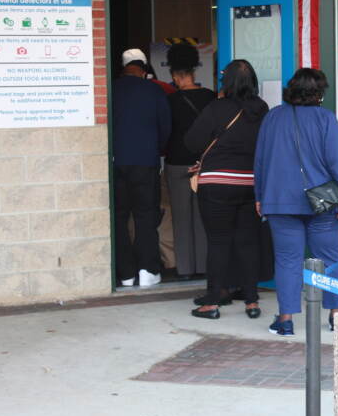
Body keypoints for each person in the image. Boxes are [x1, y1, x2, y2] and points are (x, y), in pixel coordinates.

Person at [254, 68, 338, 336]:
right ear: (319, 93)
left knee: (287, 260)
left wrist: (260, 196)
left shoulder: (273, 117)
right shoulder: (325, 119)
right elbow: (337, 162)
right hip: (321, 202)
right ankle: (335, 315)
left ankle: (285, 320)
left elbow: (261, 161)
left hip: (279, 200)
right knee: (330, 258)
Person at [184, 60, 268, 319]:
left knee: (218, 242)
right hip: (250, 183)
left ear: (226, 82)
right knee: (248, 242)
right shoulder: (262, 109)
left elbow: (191, 142)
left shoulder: (216, 107)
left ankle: (212, 302)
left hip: (217, 183)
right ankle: (251, 302)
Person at [112, 48, 171, 287]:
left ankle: (125, 274)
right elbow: (166, 127)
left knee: (119, 218)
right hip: (146, 162)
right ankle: (148, 270)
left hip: (116, 162)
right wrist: (156, 150)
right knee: (146, 216)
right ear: (144, 68)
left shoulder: (110, 89)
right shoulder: (154, 90)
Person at [164, 43, 217, 280]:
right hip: (204, 163)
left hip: (177, 163)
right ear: (195, 70)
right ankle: (205, 266)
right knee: (203, 217)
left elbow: (165, 132)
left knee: (181, 218)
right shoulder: (210, 97)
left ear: (174, 74)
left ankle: (185, 269)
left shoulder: (170, 100)